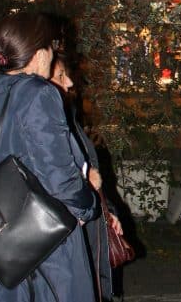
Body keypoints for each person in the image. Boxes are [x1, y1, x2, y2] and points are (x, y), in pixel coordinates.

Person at [0, 12, 97, 301]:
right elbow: (59, 176)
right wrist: (87, 206)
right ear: (38, 54)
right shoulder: (38, 94)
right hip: (43, 246)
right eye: (50, 47)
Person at [50, 53, 124, 302]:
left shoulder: (66, 118)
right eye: (60, 76)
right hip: (66, 240)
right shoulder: (46, 127)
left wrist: (107, 211)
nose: (70, 82)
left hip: (88, 231)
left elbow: (88, 170)